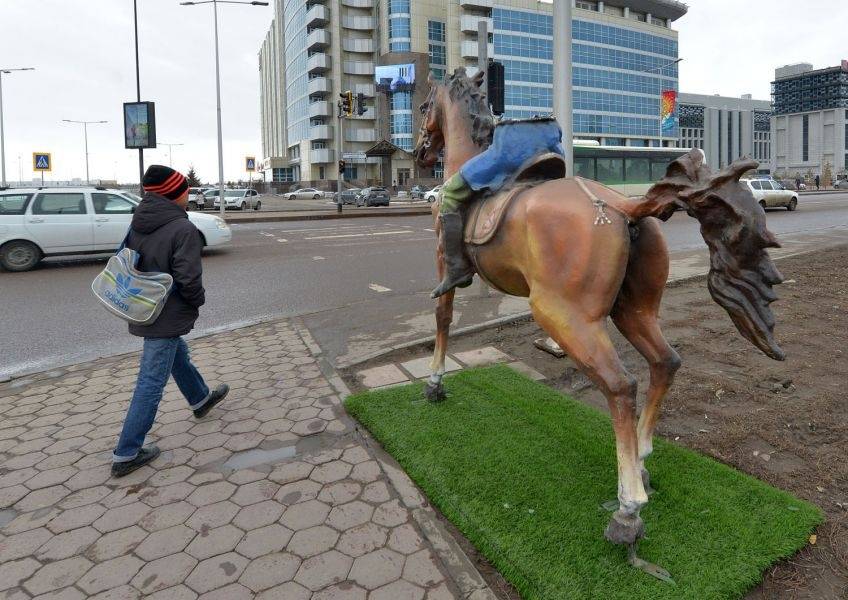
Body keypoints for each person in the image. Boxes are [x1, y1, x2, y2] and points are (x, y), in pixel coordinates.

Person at [111, 165, 229, 477]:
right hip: (166, 310)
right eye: (185, 189)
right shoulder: (182, 228)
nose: (188, 193)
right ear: (175, 193)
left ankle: (200, 398)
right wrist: (197, 300)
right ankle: (127, 453)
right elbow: (188, 279)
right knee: (151, 381)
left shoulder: (139, 221)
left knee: (177, 355)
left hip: (143, 304)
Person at [431, 117, 565, 298]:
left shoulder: (475, 114)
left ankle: (457, 268)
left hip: (507, 152)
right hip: (550, 148)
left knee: (449, 194)